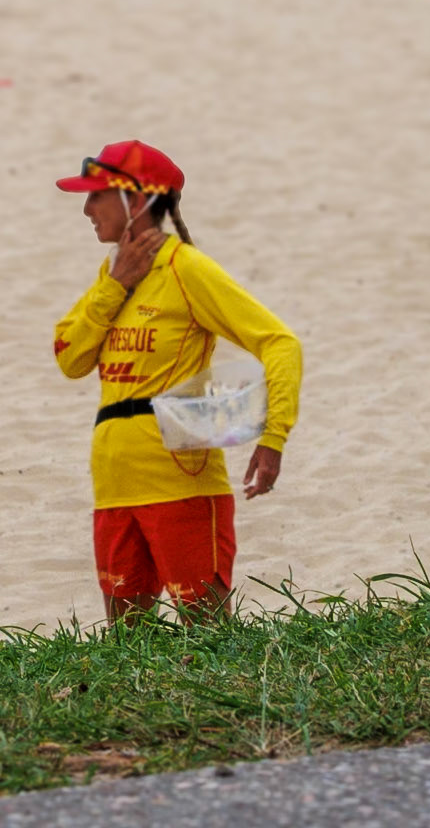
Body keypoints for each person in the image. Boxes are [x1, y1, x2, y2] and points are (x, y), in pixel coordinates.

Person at [53, 141, 302, 623]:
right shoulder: (113, 274)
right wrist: (116, 285)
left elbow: (280, 342)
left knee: (209, 635)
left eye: (96, 196)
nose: (86, 209)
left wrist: (273, 438)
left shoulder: (186, 268)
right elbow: (70, 358)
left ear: (137, 201)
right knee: (128, 647)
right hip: (112, 488)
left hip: (181, 483)